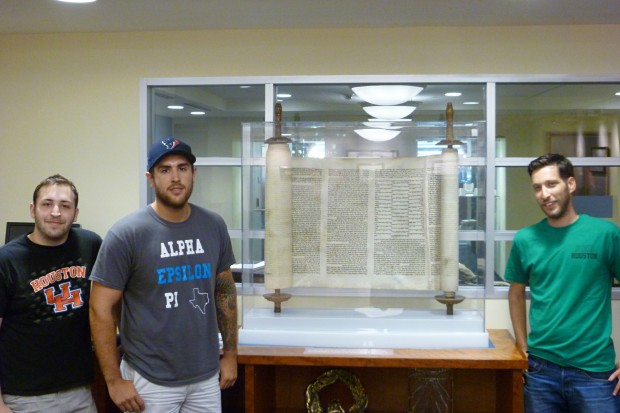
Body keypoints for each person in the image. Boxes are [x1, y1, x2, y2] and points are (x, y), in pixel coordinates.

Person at [89, 137, 238, 413]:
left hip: (205, 377)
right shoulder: (126, 234)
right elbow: (100, 309)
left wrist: (230, 354)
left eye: (182, 168)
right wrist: (113, 381)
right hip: (150, 378)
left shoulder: (213, 225)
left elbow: (224, 291)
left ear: (194, 174)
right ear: (151, 178)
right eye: (165, 170)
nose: (175, 177)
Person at [505, 153, 620, 412]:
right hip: (541, 369)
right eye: (537, 188)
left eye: (551, 184)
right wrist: (522, 345)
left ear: (570, 184)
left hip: (594, 371)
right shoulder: (526, 239)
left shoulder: (606, 235)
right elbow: (515, 293)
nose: (544, 194)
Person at [0, 174, 102, 413]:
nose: (56, 212)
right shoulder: (7, 260)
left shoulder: (90, 245)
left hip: (80, 392)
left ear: (75, 213)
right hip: (24, 397)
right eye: (47, 204)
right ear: (32, 209)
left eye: (65, 205)